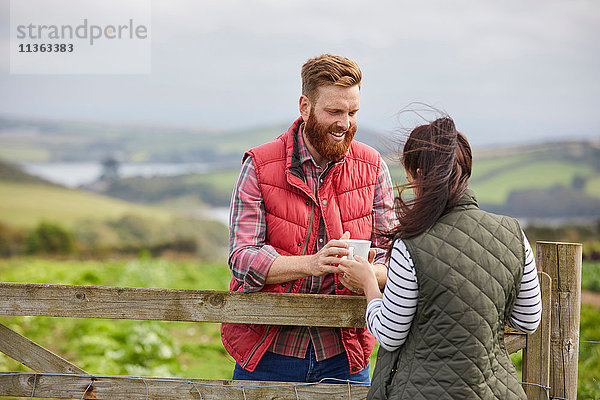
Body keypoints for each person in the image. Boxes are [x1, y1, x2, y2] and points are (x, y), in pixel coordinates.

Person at [338, 117, 542, 399]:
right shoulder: (513, 233)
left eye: (409, 177)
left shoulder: (411, 242)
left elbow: (389, 332)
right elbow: (528, 320)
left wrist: (368, 283)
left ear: (419, 174)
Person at [221, 54, 394, 383]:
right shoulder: (259, 164)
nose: (345, 123)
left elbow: (395, 261)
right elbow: (242, 258)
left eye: (352, 112)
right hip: (268, 351)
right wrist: (310, 263)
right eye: (334, 112)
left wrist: (367, 274)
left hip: (346, 353)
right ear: (305, 107)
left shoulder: (373, 166)